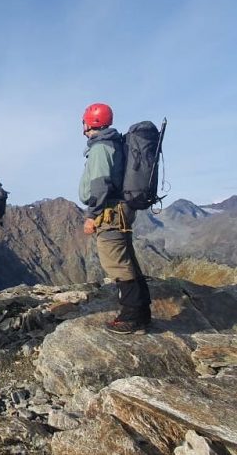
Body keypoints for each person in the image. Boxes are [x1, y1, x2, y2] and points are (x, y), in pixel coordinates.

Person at [79, 102, 152, 334]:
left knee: (118, 265)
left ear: (89, 123)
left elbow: (100, 185)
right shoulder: (113, 143)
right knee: (127, 259)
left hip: (110, 214)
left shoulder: (101, 148)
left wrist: (92, 215)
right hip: (120, 211)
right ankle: (143, 313)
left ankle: (131, 318)